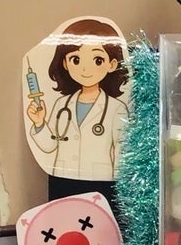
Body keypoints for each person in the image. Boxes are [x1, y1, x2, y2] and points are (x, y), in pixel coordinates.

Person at [26, 18, 127, 180]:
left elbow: (122, 151)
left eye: (98, 60)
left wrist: (120, 185)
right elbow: (50, 145)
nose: (85, 69)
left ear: (112, 64)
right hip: (63, 177)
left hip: (101, 180)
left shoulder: (117, 109)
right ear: (65, 63)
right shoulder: (62, 104)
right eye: (76, 60)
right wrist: (39, 123)